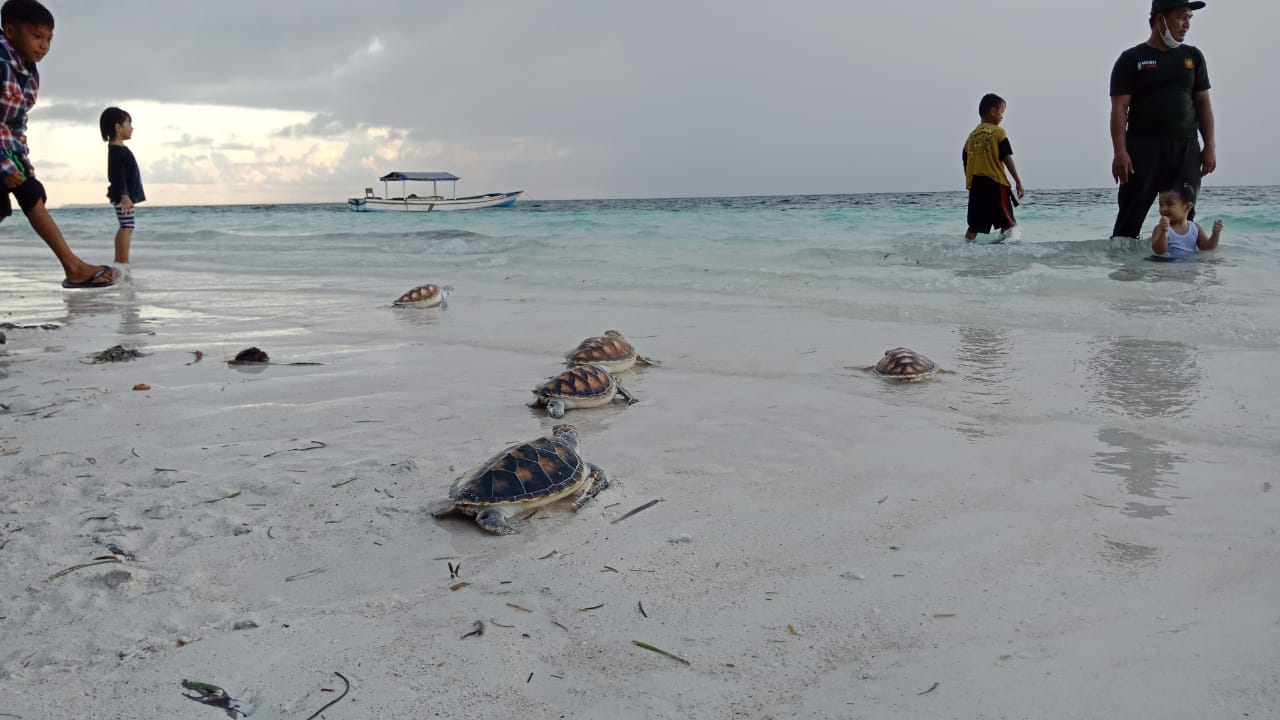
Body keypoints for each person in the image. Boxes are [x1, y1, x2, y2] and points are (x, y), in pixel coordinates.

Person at [0, 0, 115, 288]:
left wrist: (22, 163)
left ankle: (73, 267)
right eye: (37, 36)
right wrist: (2, 164)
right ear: (10, 31)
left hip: (7, 150)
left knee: (30, 193)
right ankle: (73, 266)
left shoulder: (29, 73)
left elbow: (16, 123)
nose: (44, 45)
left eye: (49, 39)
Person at [1109, 0, 1216, 240]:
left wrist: (1209, 145)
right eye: (1181, 17)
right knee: (1129, 221)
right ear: (1160, 20)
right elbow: (1119, 108)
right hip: (1142, 149)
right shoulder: (1131, 59)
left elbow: (1203, 103)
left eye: (1190, 18)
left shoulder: (1193, 57)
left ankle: (1179, 274)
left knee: (1183, 221)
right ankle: (1125, 273)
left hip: (1185, 148)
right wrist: (1120, 152)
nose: (1187, 24)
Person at [962, 93, 1025, 242]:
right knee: (1008, 224)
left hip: (977, 186)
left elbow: (965, 161)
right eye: (1001, 112)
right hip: (996, 184)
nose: (1002, 116)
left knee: (974, 226)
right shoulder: (998, 132)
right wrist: (1018, 181)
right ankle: (1005, 255)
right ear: (992, 111)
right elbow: (1007, 157)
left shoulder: (971, 137)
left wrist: (970, 183)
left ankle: (964, 251)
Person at [100, 106, 143, 264]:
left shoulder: (118, 149)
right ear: (118, 127)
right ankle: (122, 259)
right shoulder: (117, 150)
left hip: (124, 194)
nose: (132, 128)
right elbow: (117, 175)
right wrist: (124, 196)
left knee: (126, 226)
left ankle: (120, 259)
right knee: (127, 227)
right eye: (129, 124)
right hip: (123, 195)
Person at [1150, 182, 1222, 259]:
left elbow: (1206, 247)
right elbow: (1159, 251)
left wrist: (1215, 234)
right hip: (1168, 266)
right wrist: (1163, 232)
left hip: (1189, 267)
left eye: (1169, 204)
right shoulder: (1160, 229)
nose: (1163, 209)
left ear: (1187, 206)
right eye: (1161, 205)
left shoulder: (1196, 228)